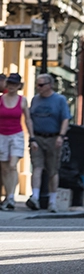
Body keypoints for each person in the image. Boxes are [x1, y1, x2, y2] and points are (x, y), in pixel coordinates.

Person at [27, 73, 70, 212]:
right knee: (37, 166)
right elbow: (29, 119)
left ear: (50, 85)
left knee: (52, 170)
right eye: (37, 84)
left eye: (41, 85)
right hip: (38, 137)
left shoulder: (60, 100)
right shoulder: (35, 99)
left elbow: (65, 119)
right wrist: (32, 137)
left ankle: (52, 201)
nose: (38, 87)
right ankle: (35, 197)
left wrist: (61, 136)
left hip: (53, 137)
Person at [1, 73, 31, 210]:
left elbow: (28, 119)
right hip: (1, 135)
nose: (12, 86)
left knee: (12, 166)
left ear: (19, 86)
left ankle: (12, 197)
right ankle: (8, 196)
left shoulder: (22, 100)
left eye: (15, 84)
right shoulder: (1, 99)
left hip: (16, 135)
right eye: (10, 83)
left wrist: (32, 137)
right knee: (4, 168)